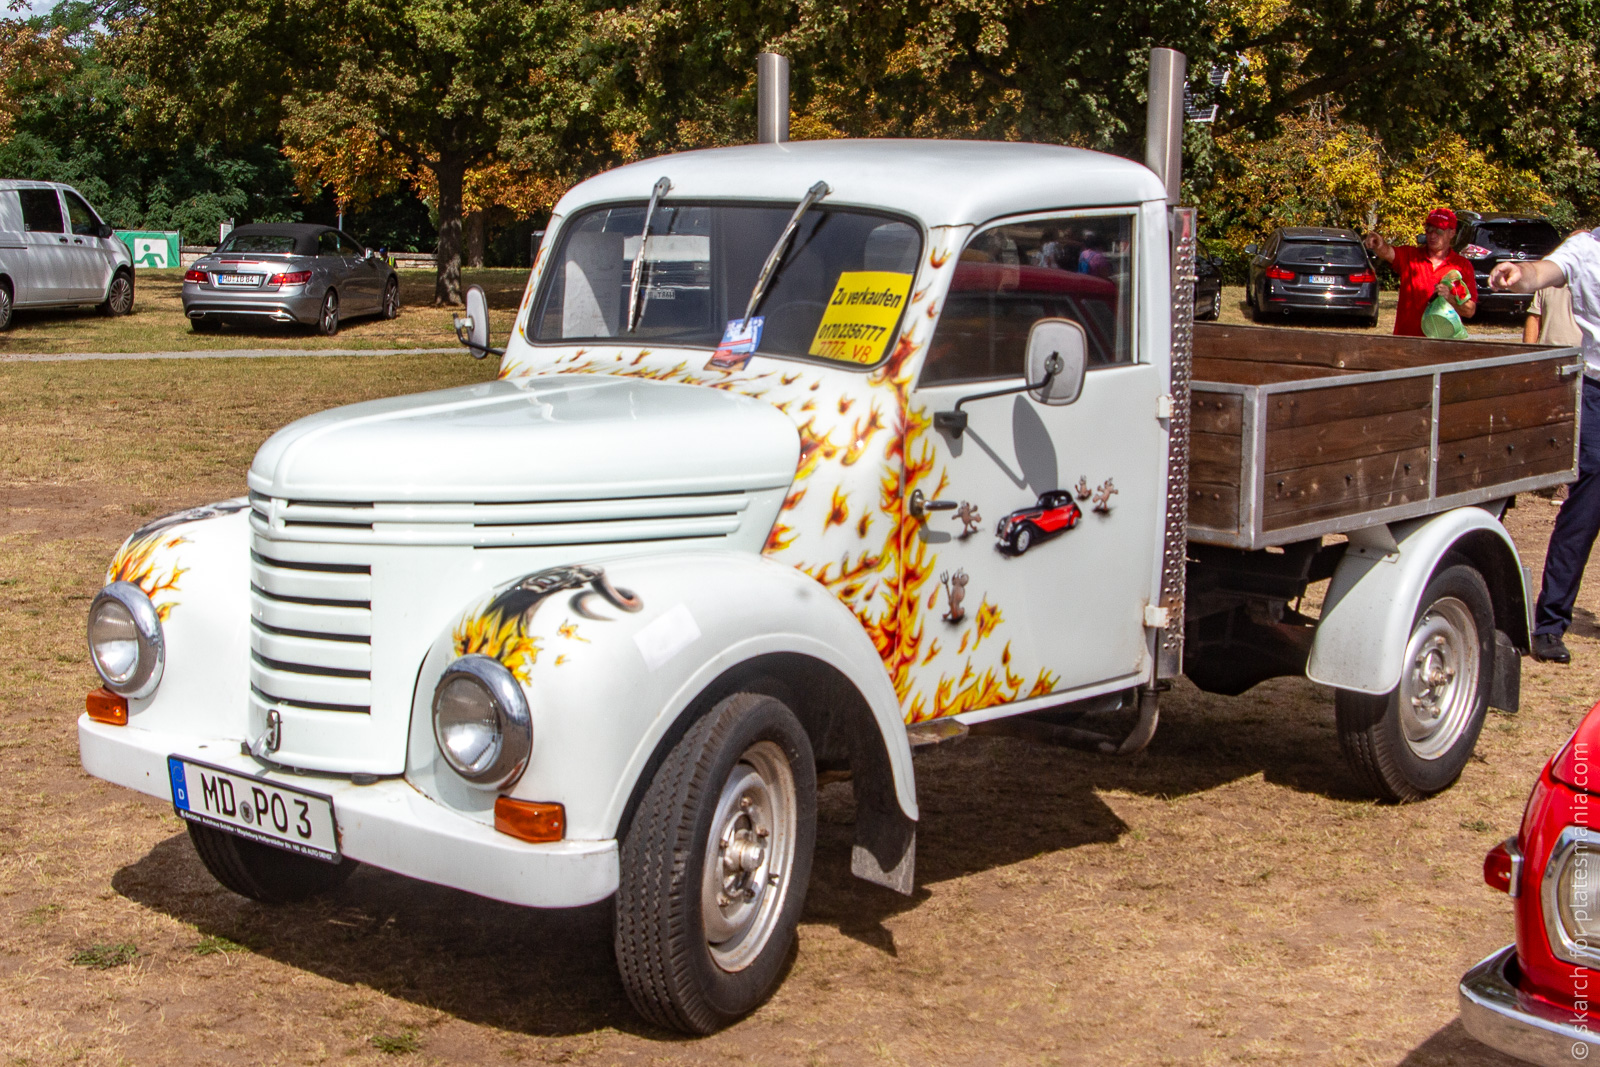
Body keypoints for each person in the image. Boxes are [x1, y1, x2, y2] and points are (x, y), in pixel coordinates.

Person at [1490, 228, 1600, 662]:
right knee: (1585, 510)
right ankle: (1550, 624)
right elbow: (1542, 272)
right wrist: (1519, 275)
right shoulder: (1584, 249)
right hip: (1596, 393)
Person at [1364, 208, 1478, 337]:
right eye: (1429, 229)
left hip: (1442, 344)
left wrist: (1450, 298)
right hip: (1406, 342)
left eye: (1439, 231)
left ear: (1452, 233)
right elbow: (1387, 252)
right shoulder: (1410, 257)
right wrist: (1379, 244)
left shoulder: (1462, 266)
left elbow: (1470, 311)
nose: (1432, 235)